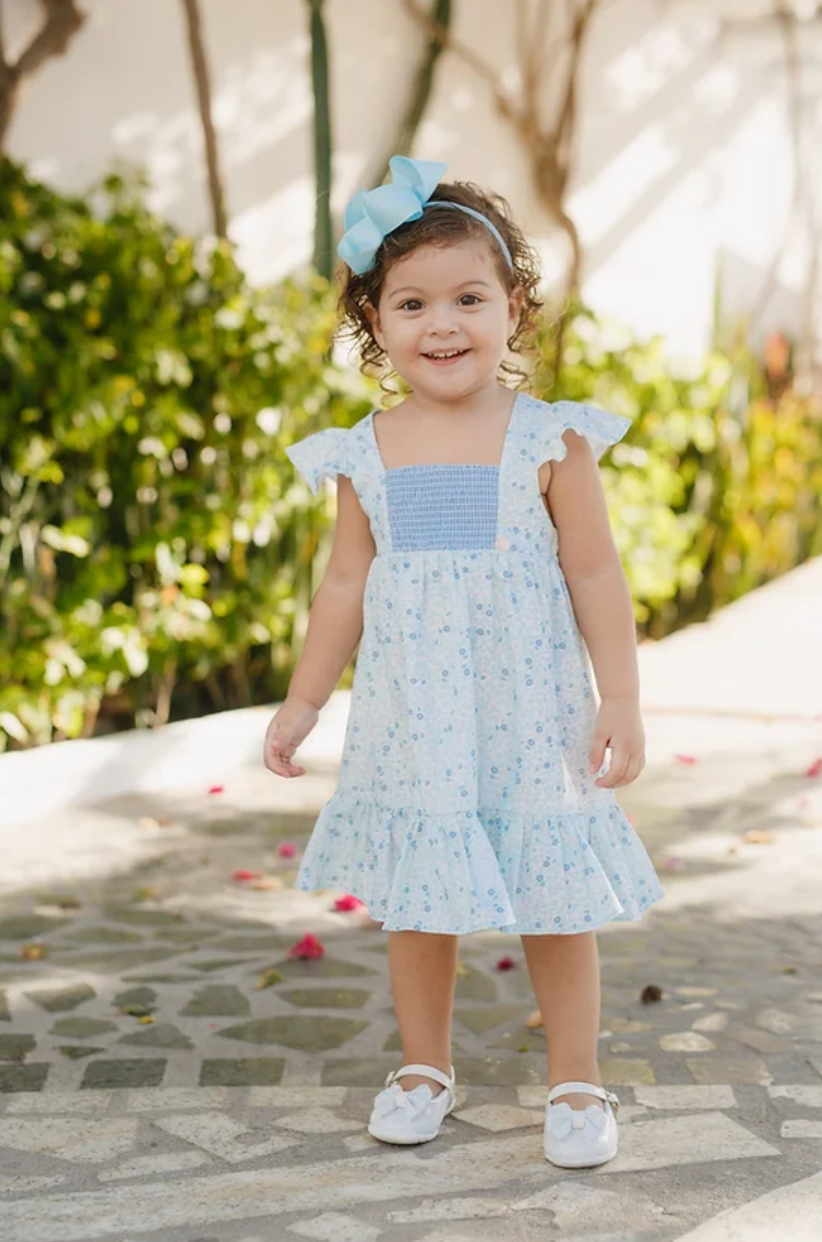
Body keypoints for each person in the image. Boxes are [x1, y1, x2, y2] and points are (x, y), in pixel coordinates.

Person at [264, 156, 663, 1168]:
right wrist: (305, 701)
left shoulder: (549, 441)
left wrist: (621, 695)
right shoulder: (365, 451)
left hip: (531, 719)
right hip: (415, 726)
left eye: (468, 298)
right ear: (374, 319)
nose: (442, 324)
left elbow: (596, 573)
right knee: (418, 897)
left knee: (555, 895)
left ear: (514, 307)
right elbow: (345, 586)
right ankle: (424, 1067)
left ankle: (575, 1081)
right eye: (413, 303)